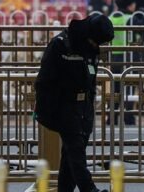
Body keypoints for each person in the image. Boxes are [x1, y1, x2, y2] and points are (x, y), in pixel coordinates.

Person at [34, 15, 114, 192]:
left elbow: (91, 82)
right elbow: (44, 81)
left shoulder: (90, 48)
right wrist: (48, 111)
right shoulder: (61, 45)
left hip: (83, 108)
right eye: (95, 42)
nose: (96, 46)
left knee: (69, 158)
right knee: (76, 154)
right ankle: (90, 190)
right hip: (63, 106)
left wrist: (89, 110)